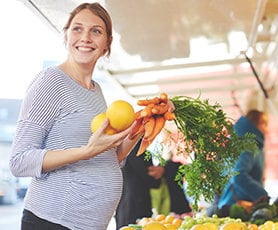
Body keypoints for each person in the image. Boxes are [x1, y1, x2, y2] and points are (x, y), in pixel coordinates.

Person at [9, 3, 172, 229]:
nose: (85, 37)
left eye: (96, 31)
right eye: (77, 29)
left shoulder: (96, 91)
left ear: (107, 43)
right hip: (53, 221)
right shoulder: (50, 82)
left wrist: (138, 131)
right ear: (66, 36)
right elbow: (19, 162)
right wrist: (86, 151)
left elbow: (107, 157)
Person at [207, 109, 269, 217]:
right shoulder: (249, 145)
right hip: (238, 209)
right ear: (257, 125)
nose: (267, 130)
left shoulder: (238, 143)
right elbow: (238, 174)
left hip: (229, 204)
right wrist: (261, 195)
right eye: (265, 125)